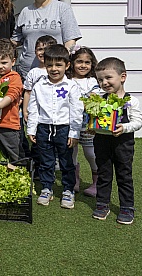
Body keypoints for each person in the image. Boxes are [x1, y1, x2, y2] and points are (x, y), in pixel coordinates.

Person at [27, 44, 83, 210]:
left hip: (64, 129)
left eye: (58, 65)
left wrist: (74, 133)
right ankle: (46, 188)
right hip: (44, 128)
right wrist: (31, 129)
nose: (54, 69)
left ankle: (67, 190)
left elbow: (76, 111)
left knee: (66, 161)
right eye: (50, 64)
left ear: (67, 65)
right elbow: (33, 108)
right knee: (46, 160)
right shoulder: (39, 85)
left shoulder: (71, 86)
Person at [92, 57, 142, 225]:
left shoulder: (131, 101)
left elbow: (138, 122)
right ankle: (102, 204)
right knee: (104, 174)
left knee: (124, 175)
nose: (104, 82)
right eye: (100, 79)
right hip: (101, 142)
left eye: (108, 78)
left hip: (123, 144)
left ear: (123, 77)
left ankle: (127, 207)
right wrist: (91, 124)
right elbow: (92, 118)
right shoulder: (98, 100)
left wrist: (124, 127)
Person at [12, 0, 81, 79]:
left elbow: (70, 40)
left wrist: (61, 61)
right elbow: (16, 40)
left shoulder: (62, 8)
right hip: (27, 72)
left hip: (53, 72)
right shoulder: (25, 11)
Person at [68, 46, 101, 196]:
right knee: (71, 152)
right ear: (72, 63)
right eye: (79, 61)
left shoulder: (92, 80)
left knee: (91, 153)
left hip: (87, 124)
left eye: (87, 62)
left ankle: (97, 182)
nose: (83, 65)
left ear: (92, 64)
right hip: (70, 124)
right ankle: (75, 179)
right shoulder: (67, 80)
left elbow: (94, 97)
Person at [22, 35, 58, 123]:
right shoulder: (33, 72)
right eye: (40, 49)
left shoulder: (57, 71)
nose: (43, 52)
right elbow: (28, 92)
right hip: (36, 111)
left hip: (54, 112)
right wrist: (25, 110)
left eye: (47, 49)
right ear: (35, 52)